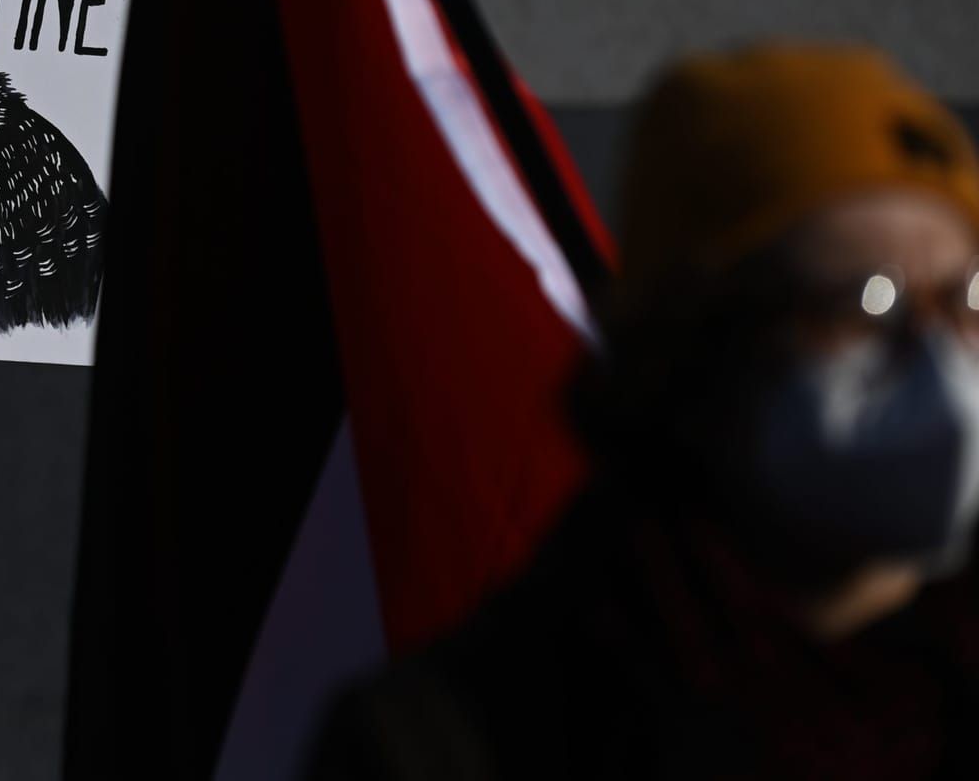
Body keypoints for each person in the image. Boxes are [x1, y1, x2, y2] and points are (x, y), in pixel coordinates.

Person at [314, 44, 979, 780]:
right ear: (693, 349)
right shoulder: (455, 739)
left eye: (968, 297)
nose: (941, 357)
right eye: (869, 303)